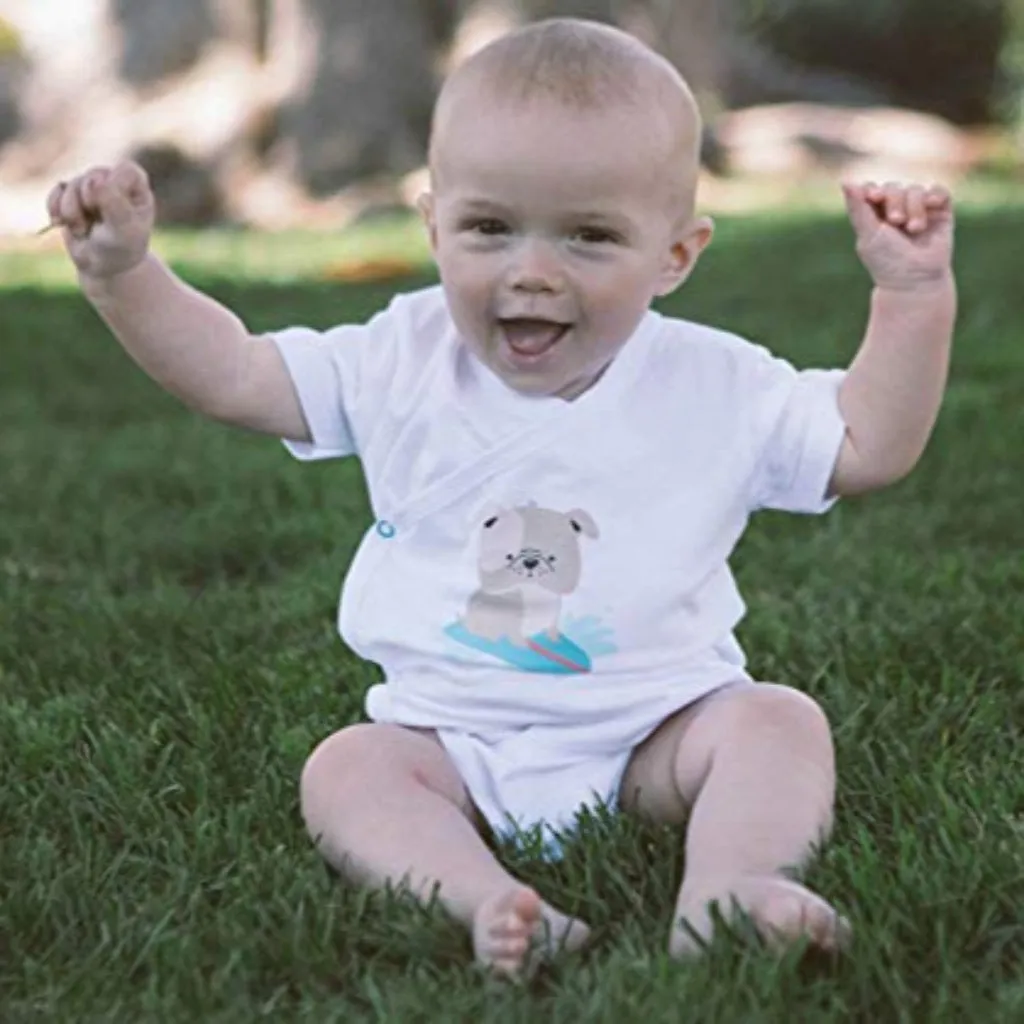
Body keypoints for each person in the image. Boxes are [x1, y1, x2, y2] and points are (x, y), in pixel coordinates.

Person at [48, 18, 956, 979]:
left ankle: (735, 887)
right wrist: (126, 277)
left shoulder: (716, 385)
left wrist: (910, 296)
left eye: (592, 236)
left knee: (776, 721)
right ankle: (488, 902)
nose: (532, 270)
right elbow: (234, 374)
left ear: (676, 257)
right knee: (349, 769)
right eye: (490, 228)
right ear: (434, 223)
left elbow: (866, 447)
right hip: (451, 738)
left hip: (658, 730)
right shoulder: (401, 357)